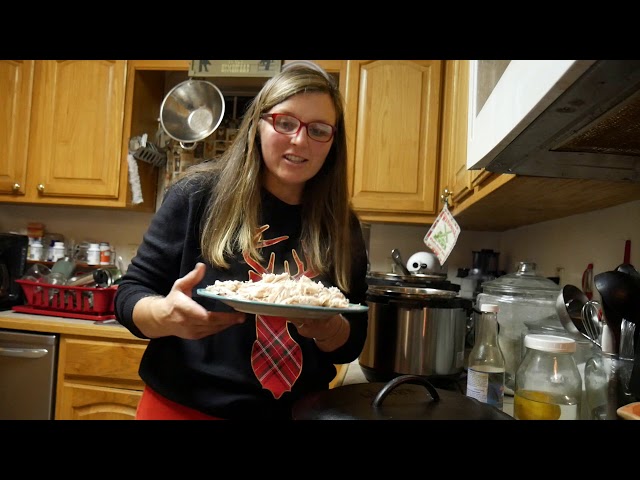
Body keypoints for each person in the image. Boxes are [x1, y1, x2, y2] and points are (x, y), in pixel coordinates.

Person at [114, 62, 370, 420]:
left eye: (318, 129)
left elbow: (352, 341)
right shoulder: (196, 194)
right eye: (285, 122)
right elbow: (129, 295)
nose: (299, 140)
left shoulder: (343, 226)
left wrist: (332, 329)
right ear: (258, 125)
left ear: (333, 141)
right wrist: (165, 315)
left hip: (296, 414)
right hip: (182, 408)